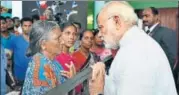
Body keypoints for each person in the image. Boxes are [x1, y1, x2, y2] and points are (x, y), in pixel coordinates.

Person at [92, 1, 177, 95]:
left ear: (117, 21)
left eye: (101, 27)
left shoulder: (136, 52)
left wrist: (98, 92)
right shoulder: (133, 45)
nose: (99, 34)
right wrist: (102, 80)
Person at [22, 21, 76, 95]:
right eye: (58, 38)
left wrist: (71, 81)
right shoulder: (41, 67)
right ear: (43, 44)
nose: (62, 42)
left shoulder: (53, 61)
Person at [72, 30, 100, 95]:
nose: (89, 40)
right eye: (86, 38)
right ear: (80, 41)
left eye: (91, 38)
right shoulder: (73, 56)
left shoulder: (94, 56)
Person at [6, 17, 33, 84]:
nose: (27, 28)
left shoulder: (36, 40)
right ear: (21, 26)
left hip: (35, 75)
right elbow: (7, 56)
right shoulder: (14, 40)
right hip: (20, 76)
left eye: (30, 26)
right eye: (25, 26)